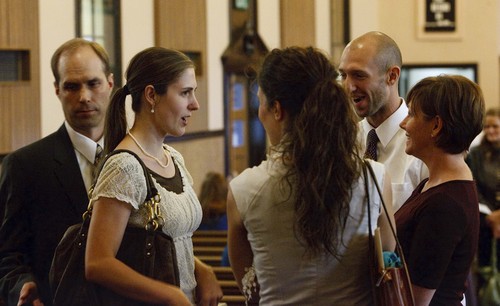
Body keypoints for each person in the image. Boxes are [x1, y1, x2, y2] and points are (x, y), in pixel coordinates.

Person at [227, 46, 396, 305]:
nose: (259, 112)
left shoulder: (243, 189)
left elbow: (249, 286)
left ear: (277, 109)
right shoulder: (374, 177)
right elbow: (385, 256)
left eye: (260, 102)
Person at [84, 46, 222, 305]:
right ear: (151, 95)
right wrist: (170, 295)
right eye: (185, 93)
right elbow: (98, 262)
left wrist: (202, 268)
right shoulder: (125, 167)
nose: (195, 104)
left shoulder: (173, 158)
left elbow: (167, 242)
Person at [0, 38, 114, 306]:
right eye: (72, 87)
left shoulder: (137, 156)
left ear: (110, 83)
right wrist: (22, 286)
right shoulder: (25, 166)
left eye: (93, 83)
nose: (84, 96)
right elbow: (7, 255)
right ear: (57, 90)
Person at [395, 75, 484, 305]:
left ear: (436, 126)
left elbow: (415, 300)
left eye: (412, 114)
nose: (403, 123)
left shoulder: (444, 203)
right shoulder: (436, 184)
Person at [338, 31, 429, 211]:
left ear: (392, 76)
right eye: (343, 75)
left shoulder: (426, 143)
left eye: (359, 75)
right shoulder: (342, 141)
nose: (349, 86)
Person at [466, 107, 500, 289]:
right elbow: (473, 187)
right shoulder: (475, 154)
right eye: (487, 127)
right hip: (483, 219)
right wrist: (492, 217)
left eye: (495, 126)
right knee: (485, 272)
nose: (491, 131)